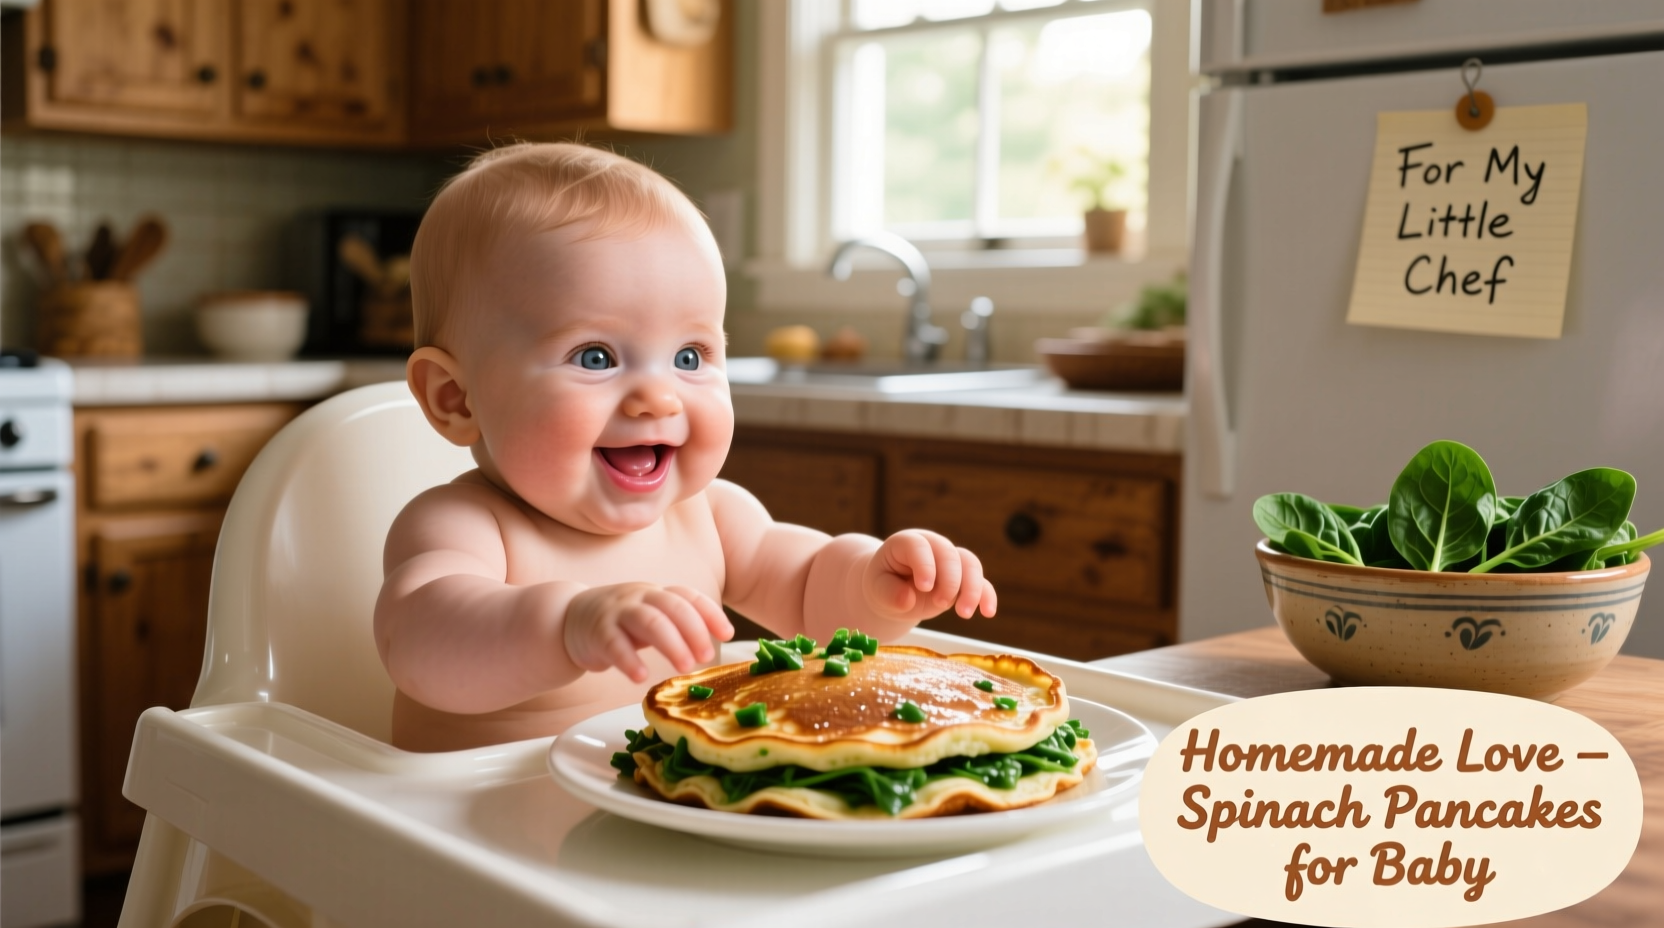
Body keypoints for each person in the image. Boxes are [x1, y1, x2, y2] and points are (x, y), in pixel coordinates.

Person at [375, 143, 998, 752]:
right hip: (483, 829)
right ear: (457, 399)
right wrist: (569, 625)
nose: (659, 397)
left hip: (663, 812)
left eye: (689, 356)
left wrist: (875, 583)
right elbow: (421, 646)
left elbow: (811, 593)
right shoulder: (464, 526)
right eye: (596, 357)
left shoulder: (711, 516)